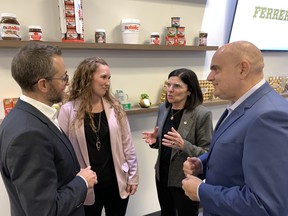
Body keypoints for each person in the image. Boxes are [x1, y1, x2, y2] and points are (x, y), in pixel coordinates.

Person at [182, 41, 288, 216]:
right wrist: (203, 163)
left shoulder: (268, 117)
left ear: (242, 69)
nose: (209, 77)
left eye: (216, 69)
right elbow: (237, 148)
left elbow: (264, 204)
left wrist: (202, 191)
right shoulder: (244, 106)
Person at [0, 42, 97, 216]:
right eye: (64, 78)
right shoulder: (28, 135)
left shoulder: (27, 117)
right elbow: (45, 211)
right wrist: (82, 181)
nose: (67, 84)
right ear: (43, 85)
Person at [58, 57, 139, 216]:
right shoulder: (68, 110)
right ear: (87, 78)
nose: (107, 82)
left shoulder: (115, 107)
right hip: (86, 185)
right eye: (103, 77)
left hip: (116, 182)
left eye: (109, 78)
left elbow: (127, 145)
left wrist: (133, 176)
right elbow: (62, 151)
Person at [142, 68, 213, 216]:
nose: (170, 90)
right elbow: (166, 143)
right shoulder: (163, 108)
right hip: (162, 174)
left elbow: (207, 153)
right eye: (168, 85)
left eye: (177, 86)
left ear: (189, 91)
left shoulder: (202, 114)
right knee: (166, 212)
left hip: (185, 178)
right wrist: (155, 141)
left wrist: (183, 145)